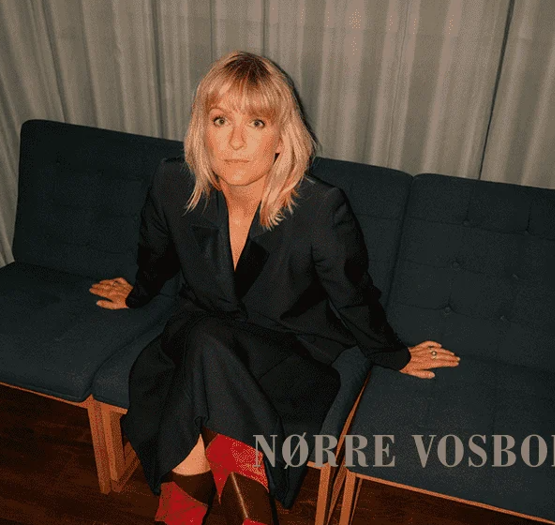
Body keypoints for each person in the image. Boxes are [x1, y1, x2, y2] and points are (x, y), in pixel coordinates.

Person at [89, 51, 460, 525]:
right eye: (220, 120)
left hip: (285, 351)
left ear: (282, 137)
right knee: (207, 345)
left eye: (257, 123)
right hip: (200, 332)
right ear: (202, 128)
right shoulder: (173, 183)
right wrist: (137, 294)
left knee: (202, 378)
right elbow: (155, 255)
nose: (236, 141)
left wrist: (395, 355)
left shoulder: (319, 208)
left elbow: (352, 296)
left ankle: (181, 514)